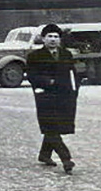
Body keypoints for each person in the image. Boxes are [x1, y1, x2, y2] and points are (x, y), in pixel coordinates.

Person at [26, 23, 81, 174]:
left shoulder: (66, 55)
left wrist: (74, 91)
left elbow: (73, 75)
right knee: (50, 127)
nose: (53, 39)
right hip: (45, 96)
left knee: (56, 127)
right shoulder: (34, 56)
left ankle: (44, 155)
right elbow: (31, 75)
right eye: (49, 36)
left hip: (64, 97)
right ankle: (66, 159)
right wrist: (48, 82)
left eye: (56, 36)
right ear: (43, 38)